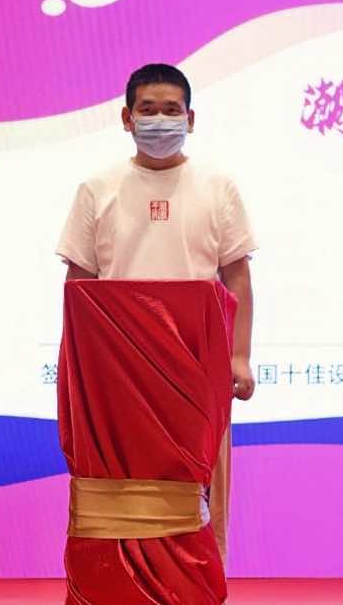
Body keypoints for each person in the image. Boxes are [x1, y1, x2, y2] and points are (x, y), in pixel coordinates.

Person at [56, 62, 256, 559]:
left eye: (171, 110)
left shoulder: (218, 188)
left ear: (191, 119)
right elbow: (79, 286)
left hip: (197, 369)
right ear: (127, 118)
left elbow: (237, 278)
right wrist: (77, 368)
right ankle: (123, 582)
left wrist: (239, 357)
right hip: (117, 373)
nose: (160, 121)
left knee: (201, 492)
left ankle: (203, 581)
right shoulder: (97, 189)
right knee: (122, 488)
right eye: (148, 110)